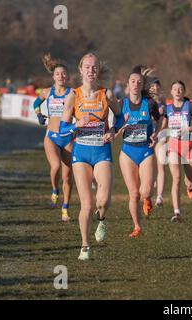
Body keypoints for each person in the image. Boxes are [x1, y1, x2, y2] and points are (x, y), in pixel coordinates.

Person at [59, 53, 122, 260]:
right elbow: (62, 128)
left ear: (98, 70)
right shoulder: (73, 96)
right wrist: (77, 124)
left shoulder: (107, 94)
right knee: (87, 204)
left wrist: (113, 130)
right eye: (87, 67)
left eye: (94, 67)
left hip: (102, 150)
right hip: (81, 153)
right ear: (81, 70)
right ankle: (85, 246)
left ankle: (101, 218)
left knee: (103, 200)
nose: (91, 70)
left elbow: (120, 117)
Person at [116, 68, 161, 237]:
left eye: (139, 82)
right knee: (133, 193)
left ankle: (148, 199)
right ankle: (137, 226)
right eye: (132, 81)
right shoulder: (121, 104)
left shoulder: (149, 103)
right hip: (127, 152)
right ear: (128, 85)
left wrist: (155, 134)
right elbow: (114, 128)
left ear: (142, 85)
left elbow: (161, 119)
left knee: (146, 191)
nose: (136, 84)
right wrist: (121, 127)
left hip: (145, 151)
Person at [33, 54, 73, 222]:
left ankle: (65, 209)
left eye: (64, 74)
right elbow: (36, 103)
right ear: (53, 76)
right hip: (51, 136)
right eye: (58, 74)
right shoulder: (47, 92)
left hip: (68, 137)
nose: (61, 76)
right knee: (55, 165)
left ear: (67, 76)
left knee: (67, 177)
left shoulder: (73, 93)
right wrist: (39, 115)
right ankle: (55, 190)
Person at [165, 81, 192, 222]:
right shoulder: (167, 109)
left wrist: (188, 129)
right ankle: (177, 212)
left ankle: (190, 185)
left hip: (189, 145)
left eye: (180, 89)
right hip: (174, 145)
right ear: (171, 91)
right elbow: (162, 125)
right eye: (175, 88)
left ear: (184, 92)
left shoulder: (190, 106)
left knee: (190, 181)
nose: (177, 91)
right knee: (176, 179)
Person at [147, 77, 168, 207]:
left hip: (160, 134)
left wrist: (159, 131)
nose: (155, 89)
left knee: (161, 165)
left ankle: (159, 196)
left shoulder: (163, 100)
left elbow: (165, 120)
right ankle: (148, 191)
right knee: (150, 165)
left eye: (157, 86)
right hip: (147, 135)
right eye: (152, 87)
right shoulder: (145, 101)